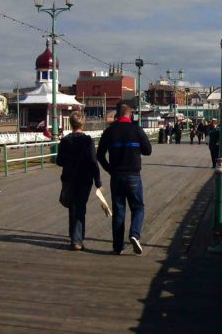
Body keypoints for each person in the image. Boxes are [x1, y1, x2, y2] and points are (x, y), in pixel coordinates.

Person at [97, 104, 153, 255]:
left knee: (119, 210)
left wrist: (109, 169)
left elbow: (99, 155)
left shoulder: (109, 132)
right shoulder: (137, 130)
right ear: (130, 115)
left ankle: (118, 246)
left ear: (117, 115)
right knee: (138, 207)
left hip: (116, 176)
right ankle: (134, 234)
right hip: (133, 175)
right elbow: (148, 150)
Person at [55, 112, 102, 251]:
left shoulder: (65, 140)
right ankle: (77, 240)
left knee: (72, 207)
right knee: (80, 207)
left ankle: (74, 237)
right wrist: (97, 180)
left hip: (69, 178)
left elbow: (59, 161)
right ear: (83, 123)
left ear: (71, 123)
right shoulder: (88, 141)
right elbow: (93, 161)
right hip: (84, 178)